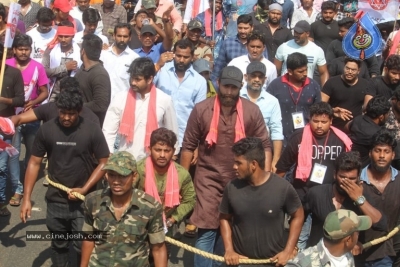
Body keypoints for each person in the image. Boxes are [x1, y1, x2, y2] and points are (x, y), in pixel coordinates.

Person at [180, 66, 272, 267]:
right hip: (207, 178)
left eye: (234, 87)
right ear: (218, 83)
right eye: (226, 86)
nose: (229, 92)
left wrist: (264, 178)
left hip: (240, 180)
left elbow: (264, 145)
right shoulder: (202, 109)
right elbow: (187, 146)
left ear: (241, 87)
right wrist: (182, 182)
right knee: (206, 231)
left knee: (229, 233)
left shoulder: (251, 111)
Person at [20, 88, 110, 266]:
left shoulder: (92, 129)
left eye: (72, 114)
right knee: (59, 244)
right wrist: (27, 199)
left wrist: (84, 189)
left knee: (80, 244)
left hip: (84, 200)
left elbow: (104, 162)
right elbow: (34, 163)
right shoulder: (46, 129)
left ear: (79, 111)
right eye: (63, 113)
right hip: (56, 199)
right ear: (57, 109)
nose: (67, 118)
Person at [220, 137, 304, 267]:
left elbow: (298, 216)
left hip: (273, 263)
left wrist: (288, 250)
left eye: (238, 163)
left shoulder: (282, 188)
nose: (234, 166)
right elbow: (224, 218)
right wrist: (229, 250)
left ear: (254, 164)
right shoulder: (231, 188)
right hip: (242, 263)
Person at [81, 151, 168, 267]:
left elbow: (158, 249)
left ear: (134, 176)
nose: (116, 181)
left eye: (123, 176)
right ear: (106, 175)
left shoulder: (150, 207)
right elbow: (88, 238)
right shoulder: (93, 201)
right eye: (112, 175)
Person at [103, 57, 179, 161]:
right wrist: (109, 155)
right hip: (125, 161)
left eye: (137, 79)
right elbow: (108, 130)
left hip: (153, 161)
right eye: (132, 78)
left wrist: (172, 157)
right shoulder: (120, 98)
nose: (133, 82)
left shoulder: (164, 100)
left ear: (149, 79)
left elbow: (172, 131)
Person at [304, 151, 386, 247]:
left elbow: (381, 224)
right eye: (342, 177)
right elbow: (299, 218)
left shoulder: (364, 195)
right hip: (319, 254)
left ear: (358, 177)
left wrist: (359, 200)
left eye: (351, 179)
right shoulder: (316, 193)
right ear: (335, 174)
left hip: (350, 257)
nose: (346, 182)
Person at [276, 102, 352, 204]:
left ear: (331, 121)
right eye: (315, 121)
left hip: (329, 194)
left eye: (323, 122)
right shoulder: (298, 137)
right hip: (302, 193)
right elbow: (283, 167)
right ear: (310, 119)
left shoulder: (341, 140)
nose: (319, 125)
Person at [6, 34, 49, 207]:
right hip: (11, 117)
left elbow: (44, 92)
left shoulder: (38, 67)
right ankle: (17, 188)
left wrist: (34, 102)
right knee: (13, 153)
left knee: (32, 153)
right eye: (21, 49)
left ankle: (26, 179)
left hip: (31, 117)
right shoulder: (5, 66)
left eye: (27, 49)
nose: (24, 53)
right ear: (14, 50)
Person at [135, 128, 195, 234]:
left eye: (167, 151)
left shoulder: (182, 174)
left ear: (174, 151)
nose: (162, 155)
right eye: (158, 150)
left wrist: (172, 220)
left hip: (166, 227)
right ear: (149, 149)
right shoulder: (138, 170)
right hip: (138, 224)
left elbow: (190, 200)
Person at [154, 39, 207, 147]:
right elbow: (146, 84)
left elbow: (200, 115)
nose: (181, 60)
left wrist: (196, 143)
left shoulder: (199, 81)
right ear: (173, 54)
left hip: (185, 138)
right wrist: (158, 65)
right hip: (158, 135)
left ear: (192, 57)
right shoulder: (161, 70)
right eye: (178, 56)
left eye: (186, 57)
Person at [267, 52, 321, 144]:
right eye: (300, 71)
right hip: (280, 138)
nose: (305, 74)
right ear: (290, 71)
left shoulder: (313, 85)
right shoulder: (275, 86)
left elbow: (318, 111)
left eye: (306, 70)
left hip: (306, 138)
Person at [286, 209, 372, 267]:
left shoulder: (347, 256)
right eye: (357, 233)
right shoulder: (301, 263)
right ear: (349, 239)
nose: (358, 236)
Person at [240, 62, 283, 172]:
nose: (257, 79)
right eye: (253, 76)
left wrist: (275, 159)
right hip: (239, 150)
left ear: (265, 79)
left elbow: (276, 130)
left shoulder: (272, 101)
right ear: (246, 77)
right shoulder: (238, 96)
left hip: (262, 152)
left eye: (260, 77)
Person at [10, 77, 100, 127]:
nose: (67, 118)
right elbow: (20, 119)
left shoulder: (91, 118)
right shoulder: (50, 108)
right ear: (60, 92)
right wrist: (5, 122)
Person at [0, 43, 24, 216]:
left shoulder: (14, 73)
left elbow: (20, 100)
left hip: (5, 127)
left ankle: (1, 201)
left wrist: (4, 100)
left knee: (2, 166)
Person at [211, 14, 267, 88]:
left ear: (252, 27)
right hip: (232, 87)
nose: (243, 31)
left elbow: (266, 65)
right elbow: (218, 70)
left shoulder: (258, 44)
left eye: (246, 28)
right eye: (240, 28)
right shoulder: (228, 43)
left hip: (254, 88)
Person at [275, 20, 329, 86]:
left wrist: (324, 92)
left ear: (307, 34)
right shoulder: (284, 47)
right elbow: (276, 70)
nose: (296, 35)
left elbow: (323, 73)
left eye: (299, 33)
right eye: (295, 32)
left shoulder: (317, 50)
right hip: (285, 87)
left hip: (306, 88)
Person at [321, 57, 368, 131]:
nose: (349, 71)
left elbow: (367, 106)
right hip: (334, 126)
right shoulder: (332, 82)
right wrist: (332, 111)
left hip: (355, 128)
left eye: (353, 70)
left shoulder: (365, 84)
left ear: (359, 71)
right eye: (347, 68)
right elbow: (321, 105)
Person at [74, 34, 110, 126]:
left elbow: (100, 105)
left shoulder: (99, 74)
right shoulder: (82, 69)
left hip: (91, 127)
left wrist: (74, 105)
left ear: (83, 51)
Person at [42, 22, 82, 102]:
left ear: (73, 36)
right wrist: (65, 68)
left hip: (74, 93)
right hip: (54, 93)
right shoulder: (50, 49)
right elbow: (44, 71)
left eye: (66, 37)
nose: (63, 40)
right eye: (60, 36)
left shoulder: (81, 49)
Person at [348, 96, 390, 167]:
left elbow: (346, 127)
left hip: (350, 161)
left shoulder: (357, 120)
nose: (388, 116)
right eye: (387, 114)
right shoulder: (379, 133)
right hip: (364, 169)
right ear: (381, 117)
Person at [100, 23, 139, 100]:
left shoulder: (134, 58)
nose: (122, 39)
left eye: (125, 36)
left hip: (123, 103)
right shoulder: (103, 55)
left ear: (130, 37)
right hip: (103, 101)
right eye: (119, 36)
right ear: (114, 36)